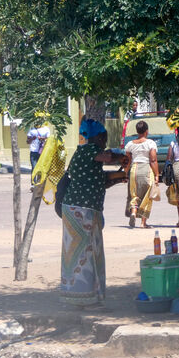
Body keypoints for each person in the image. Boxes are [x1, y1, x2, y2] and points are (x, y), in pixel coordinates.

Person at [60, 119, 128, 307]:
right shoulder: (87, 150)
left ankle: (91, 296)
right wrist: (121, 157)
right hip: (79, 209)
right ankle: (79, 297)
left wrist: (120, 176)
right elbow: (106, 158)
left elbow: (100, 181)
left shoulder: (90, 157)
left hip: (86, 208)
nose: (105, 142)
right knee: (83, 252)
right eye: (104, 138)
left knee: (90, 252)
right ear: (98, 137)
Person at [125, 120, 159, 228]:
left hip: (134, 170)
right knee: (148, 195)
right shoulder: (150, 143)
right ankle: (143, 223)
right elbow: (153, 160)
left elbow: (127, 160)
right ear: (147, 131)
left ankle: (134, 212)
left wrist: (125, 173)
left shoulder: (130, 144)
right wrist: (157, 175)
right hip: (146, 170)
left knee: (134, 194)